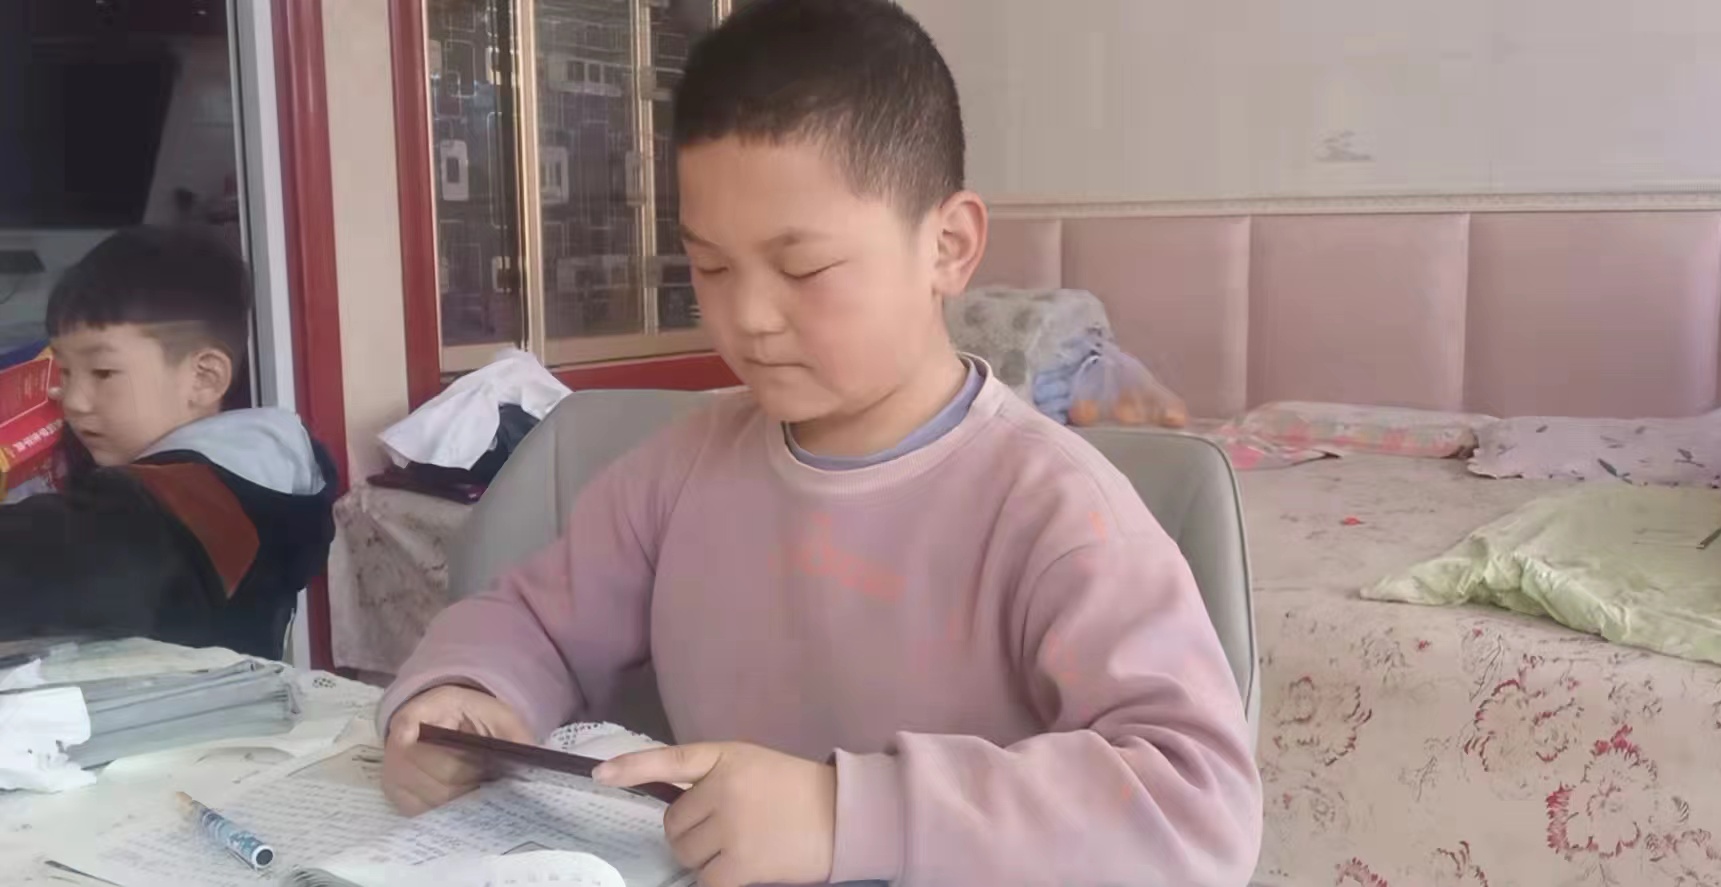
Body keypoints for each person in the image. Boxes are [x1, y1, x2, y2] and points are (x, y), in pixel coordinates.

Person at [378, 0, 1260, 884]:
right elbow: (533, 619)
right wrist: (468, 695)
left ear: (948, 246)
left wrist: (848, 814)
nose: (749, 316)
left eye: (803, 268)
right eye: (710, 266)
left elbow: (1199, 806)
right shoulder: (679, 471)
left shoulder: (1056, 512)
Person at [0, 226, 338, 660]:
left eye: (103, 373)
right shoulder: (259, 470)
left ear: (204, 378)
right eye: (65, 372)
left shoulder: (198, 499)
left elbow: (65, 560)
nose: (74, 401)